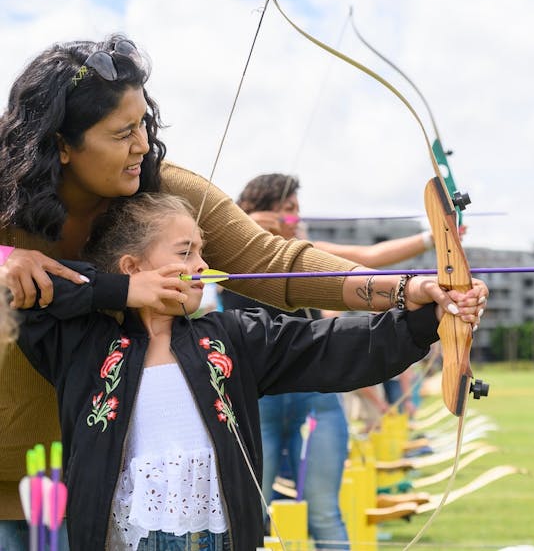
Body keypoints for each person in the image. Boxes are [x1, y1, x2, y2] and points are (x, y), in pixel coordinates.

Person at [0, 33, 488, 541]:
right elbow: (53, 299)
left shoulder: (166, 195)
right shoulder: (5, 178)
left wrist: (410, 292)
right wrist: (9, 260)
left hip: (93, 484)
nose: (142, 144)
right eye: (122, 132)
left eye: (143, 123)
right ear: (61, 144)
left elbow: (275, 262)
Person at [14, 191, 479, 550]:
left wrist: (427, 315)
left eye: (202, 251)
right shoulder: (82, 345)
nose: (201, 264)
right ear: (132, 266)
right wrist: (121, 290)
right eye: (185, 252)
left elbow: (329, 347)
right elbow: (27, 295)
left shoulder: (229, 337)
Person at [220, 173, 439, 550]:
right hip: (255, 400)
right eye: (287, 209)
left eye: (297, 208)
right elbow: (205, 259)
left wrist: (433, 239)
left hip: (314, 394)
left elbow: (369, 260)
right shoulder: (231, 256)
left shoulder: (307, 252)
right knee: (249, 513)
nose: (295, 216)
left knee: (325, 512)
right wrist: (247, 227)